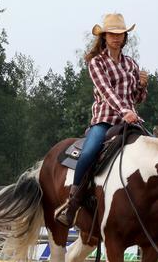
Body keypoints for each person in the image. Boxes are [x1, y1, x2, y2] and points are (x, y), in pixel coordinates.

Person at [55, 13, 149, 226]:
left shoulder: (131, 64)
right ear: (104, 37)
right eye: (112, 34)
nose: (117, 38)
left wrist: (142, 87)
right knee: (88, 153)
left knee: (155, 151)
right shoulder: (97, 62)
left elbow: (137, 98)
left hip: (131, 121)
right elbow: (106, 91)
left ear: (125, 37)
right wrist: (124, 110)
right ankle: (73, 201)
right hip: (105, 120)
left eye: (121, 34)